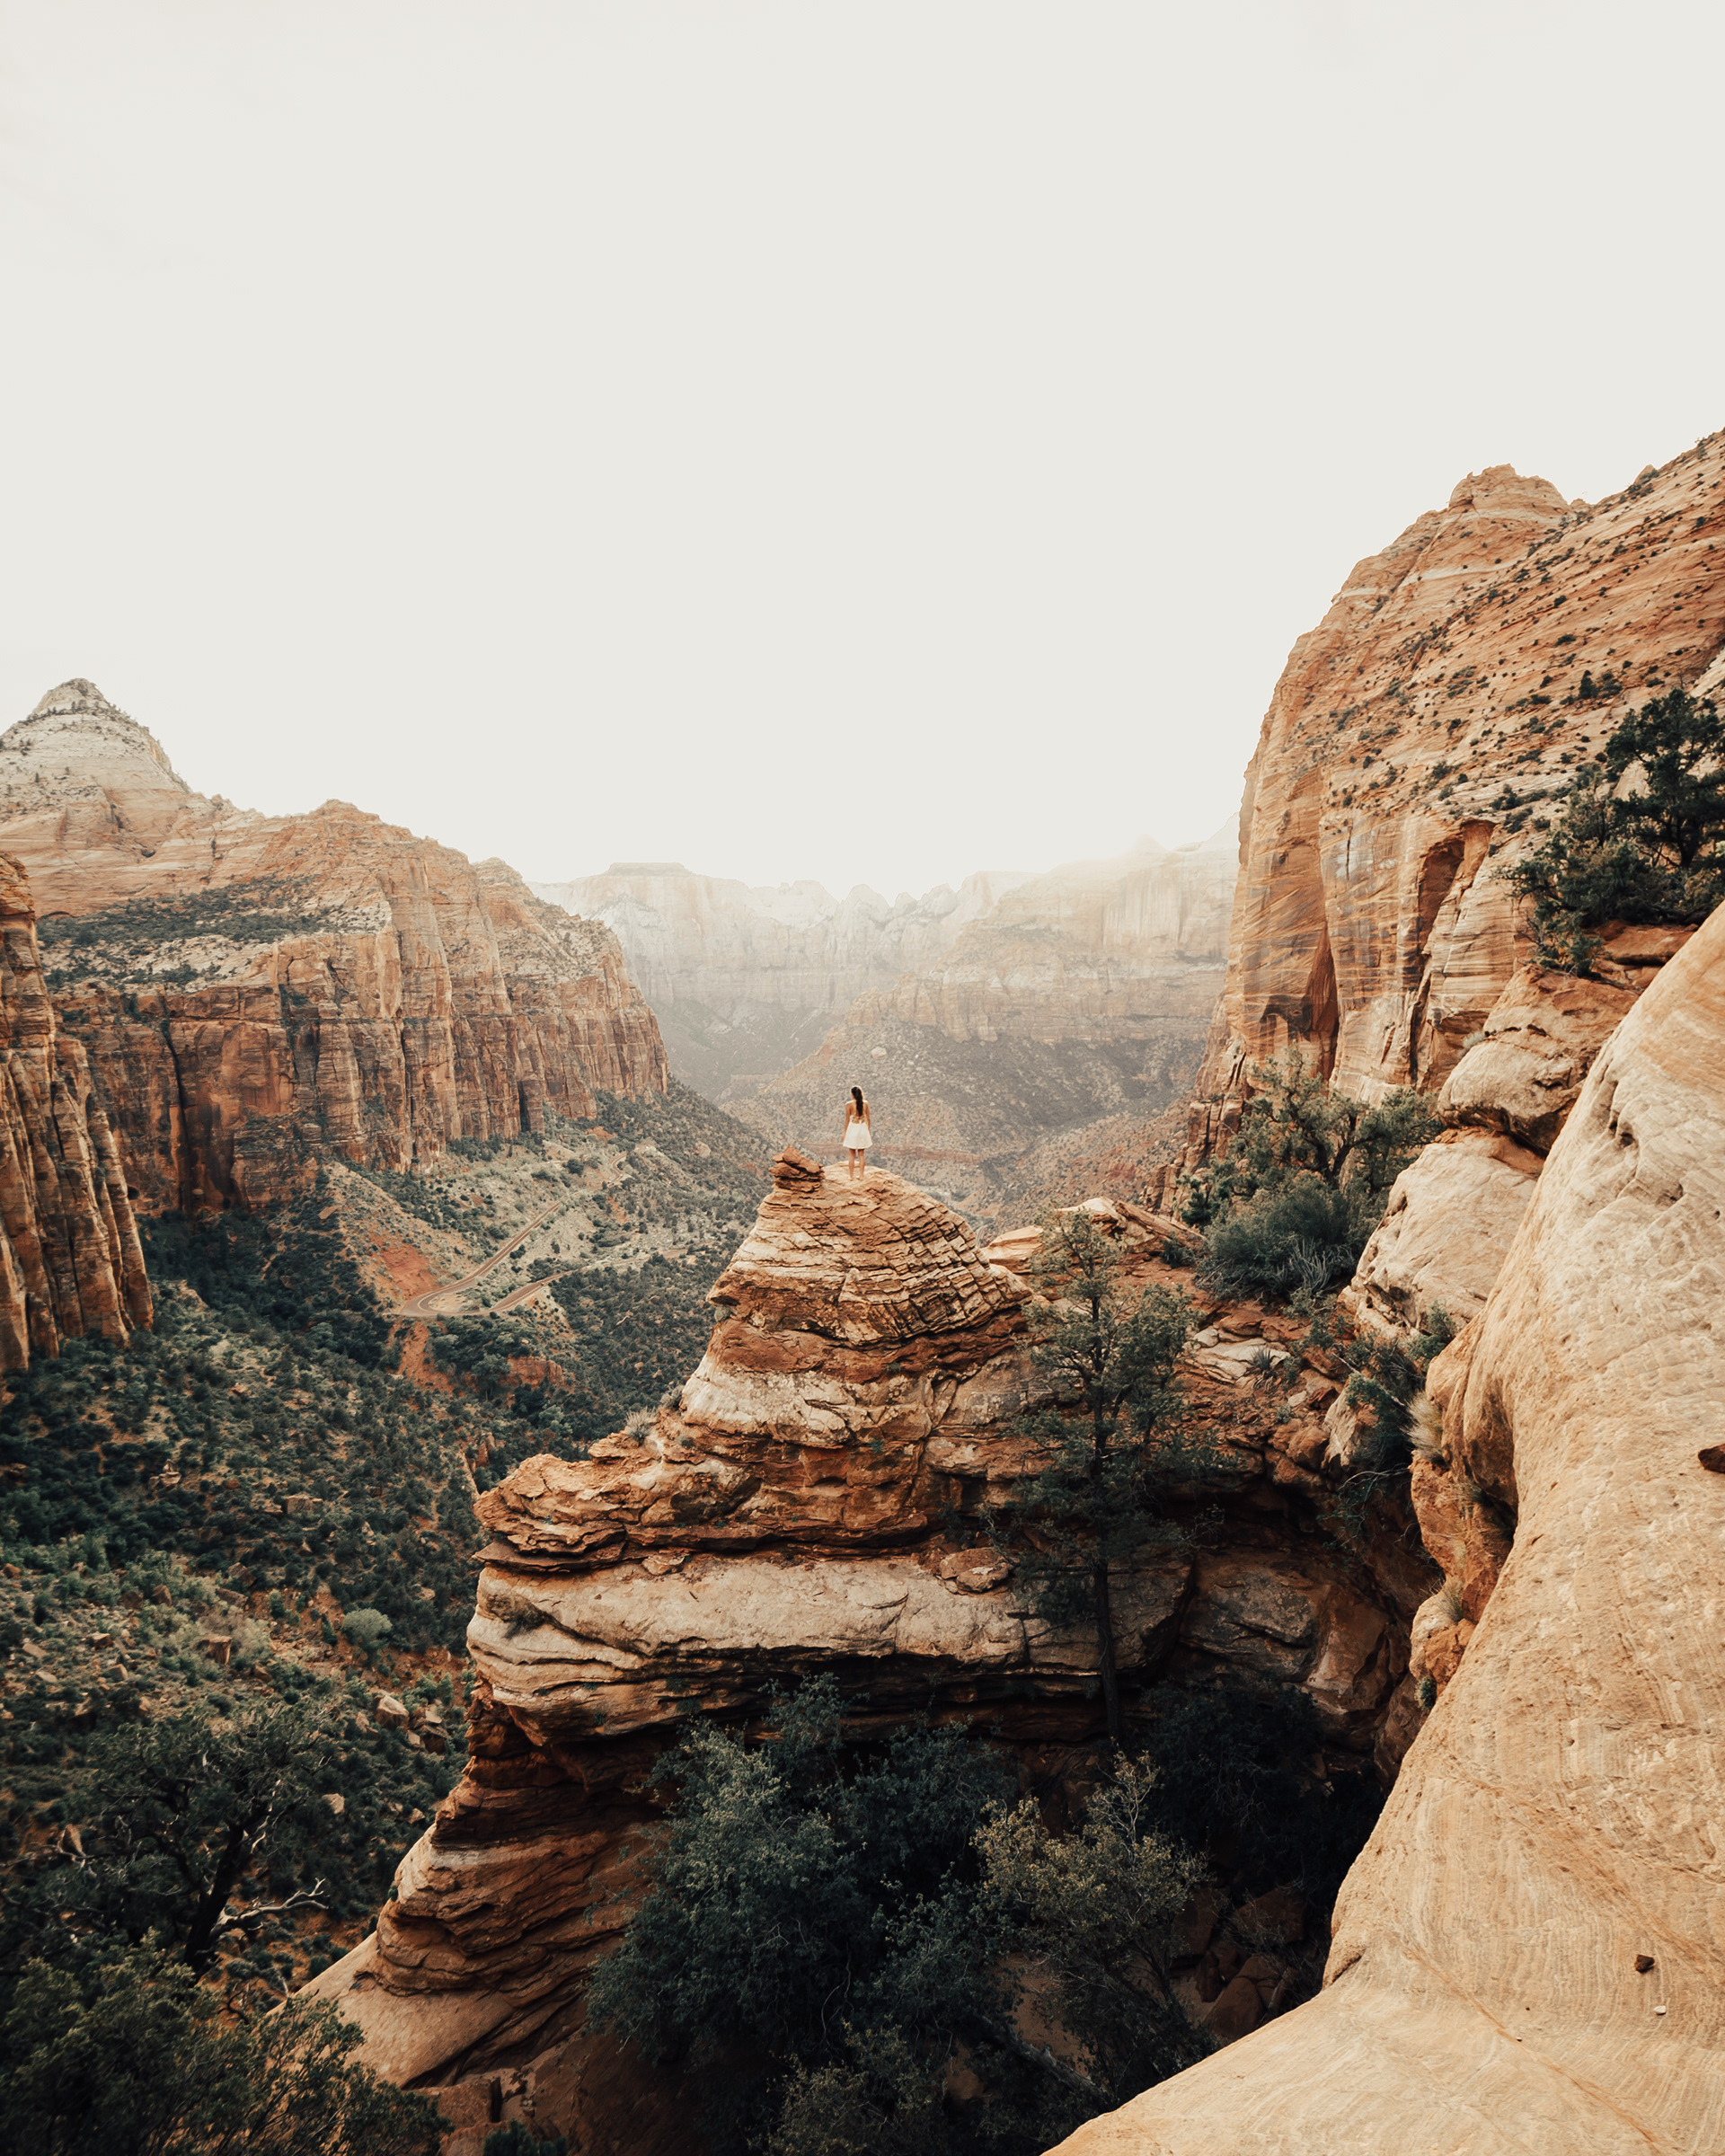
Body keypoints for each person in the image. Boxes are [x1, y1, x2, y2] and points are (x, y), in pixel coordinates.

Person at [840, 1086, 871, 1180]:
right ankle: (861, 1176)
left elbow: (846, 1120)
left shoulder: (849, 1105)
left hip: (853, 1128)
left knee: (852, 1154)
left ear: (852, 1094)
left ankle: (851, 1176)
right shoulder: (865, 1103)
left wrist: (844, 1132)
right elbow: (868, 1119)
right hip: (862, 1128)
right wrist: (867, 1131)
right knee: (861, 1154)